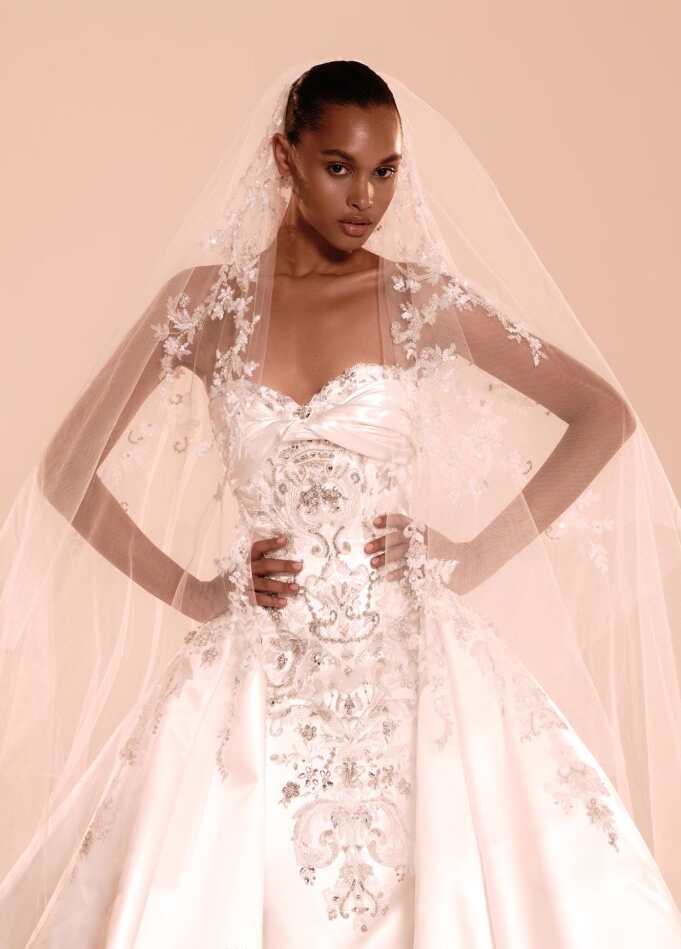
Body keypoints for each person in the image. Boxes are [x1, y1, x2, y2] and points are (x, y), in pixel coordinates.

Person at [1, 58, 681, 947]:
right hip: (255, 668)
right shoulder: (203, 304)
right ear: (282, 157)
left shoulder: (416, 299)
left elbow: (602, 413)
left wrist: (471, 554)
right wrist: (194, 594)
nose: (366, 197)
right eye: (339, 167)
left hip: (410, 663)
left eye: (385, 170)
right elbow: (65, 468)